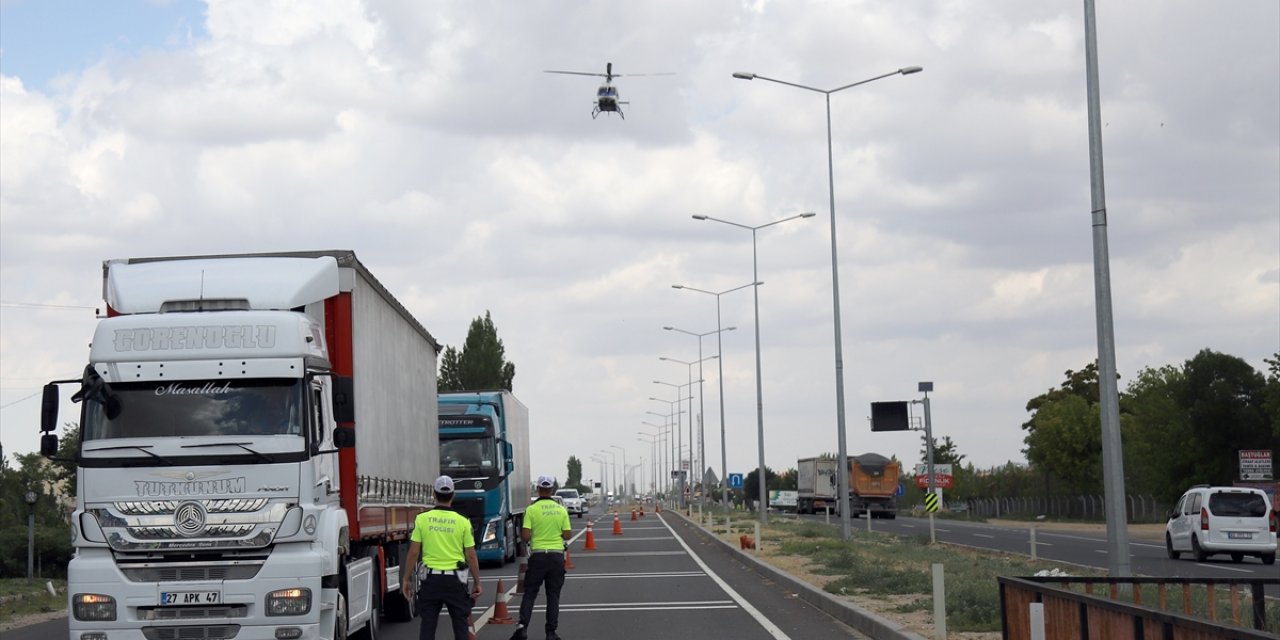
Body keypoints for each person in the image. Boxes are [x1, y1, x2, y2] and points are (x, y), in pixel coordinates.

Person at [402, 476, 482, 640]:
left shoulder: (422, 519)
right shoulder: (463, 522)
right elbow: (471, 555)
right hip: (455, 582)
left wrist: (406, 578)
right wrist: (477, 582)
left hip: (430, 581)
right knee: (461, 627)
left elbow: (413, 552)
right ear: (453, 495)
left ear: (433, 494)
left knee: (428, 627)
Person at [509, 475, 571, 640]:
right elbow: (567, 534)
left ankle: (522, 628)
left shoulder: (531, 510)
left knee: (530, 593)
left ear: (538, 489)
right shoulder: (561, 510)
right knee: (553, 596)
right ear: (552, 490)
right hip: (556, 556)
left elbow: (526, 536)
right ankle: (551, 632)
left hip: (538, 557)